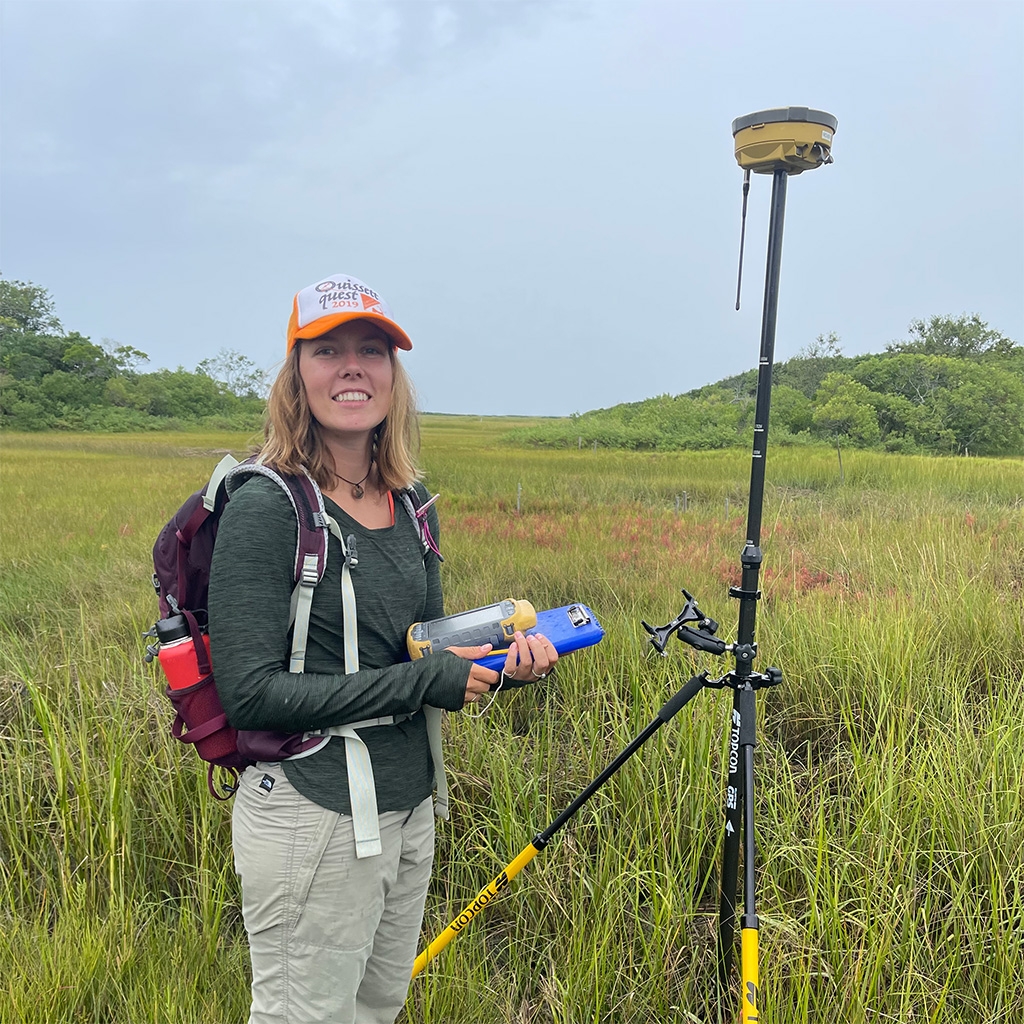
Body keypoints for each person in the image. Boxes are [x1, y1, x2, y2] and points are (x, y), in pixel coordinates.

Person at [207, 273, 557, 1024]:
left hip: (406, 808)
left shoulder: (410, 502)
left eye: (372, 350)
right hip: (312, 809)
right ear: (296, 373)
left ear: (394, 376)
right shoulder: (266, 506)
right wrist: (417, 685)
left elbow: (425, 648)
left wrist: (506, 668)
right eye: (327, 350)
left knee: (376, 1008)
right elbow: (250, 693)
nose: (352, 367)